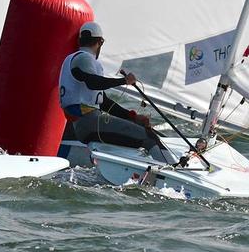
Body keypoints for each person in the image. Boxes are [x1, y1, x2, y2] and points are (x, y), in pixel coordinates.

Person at [59, 21, 171, 162]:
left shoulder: (74, 60)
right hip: (89, 124)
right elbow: (94, 83)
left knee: (140, 132)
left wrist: (133, 117)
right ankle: (175, 170)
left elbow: (104, 102)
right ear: (100, 42)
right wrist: (124, 81)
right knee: (149, 138)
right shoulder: (83, 58)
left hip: (84, 125)